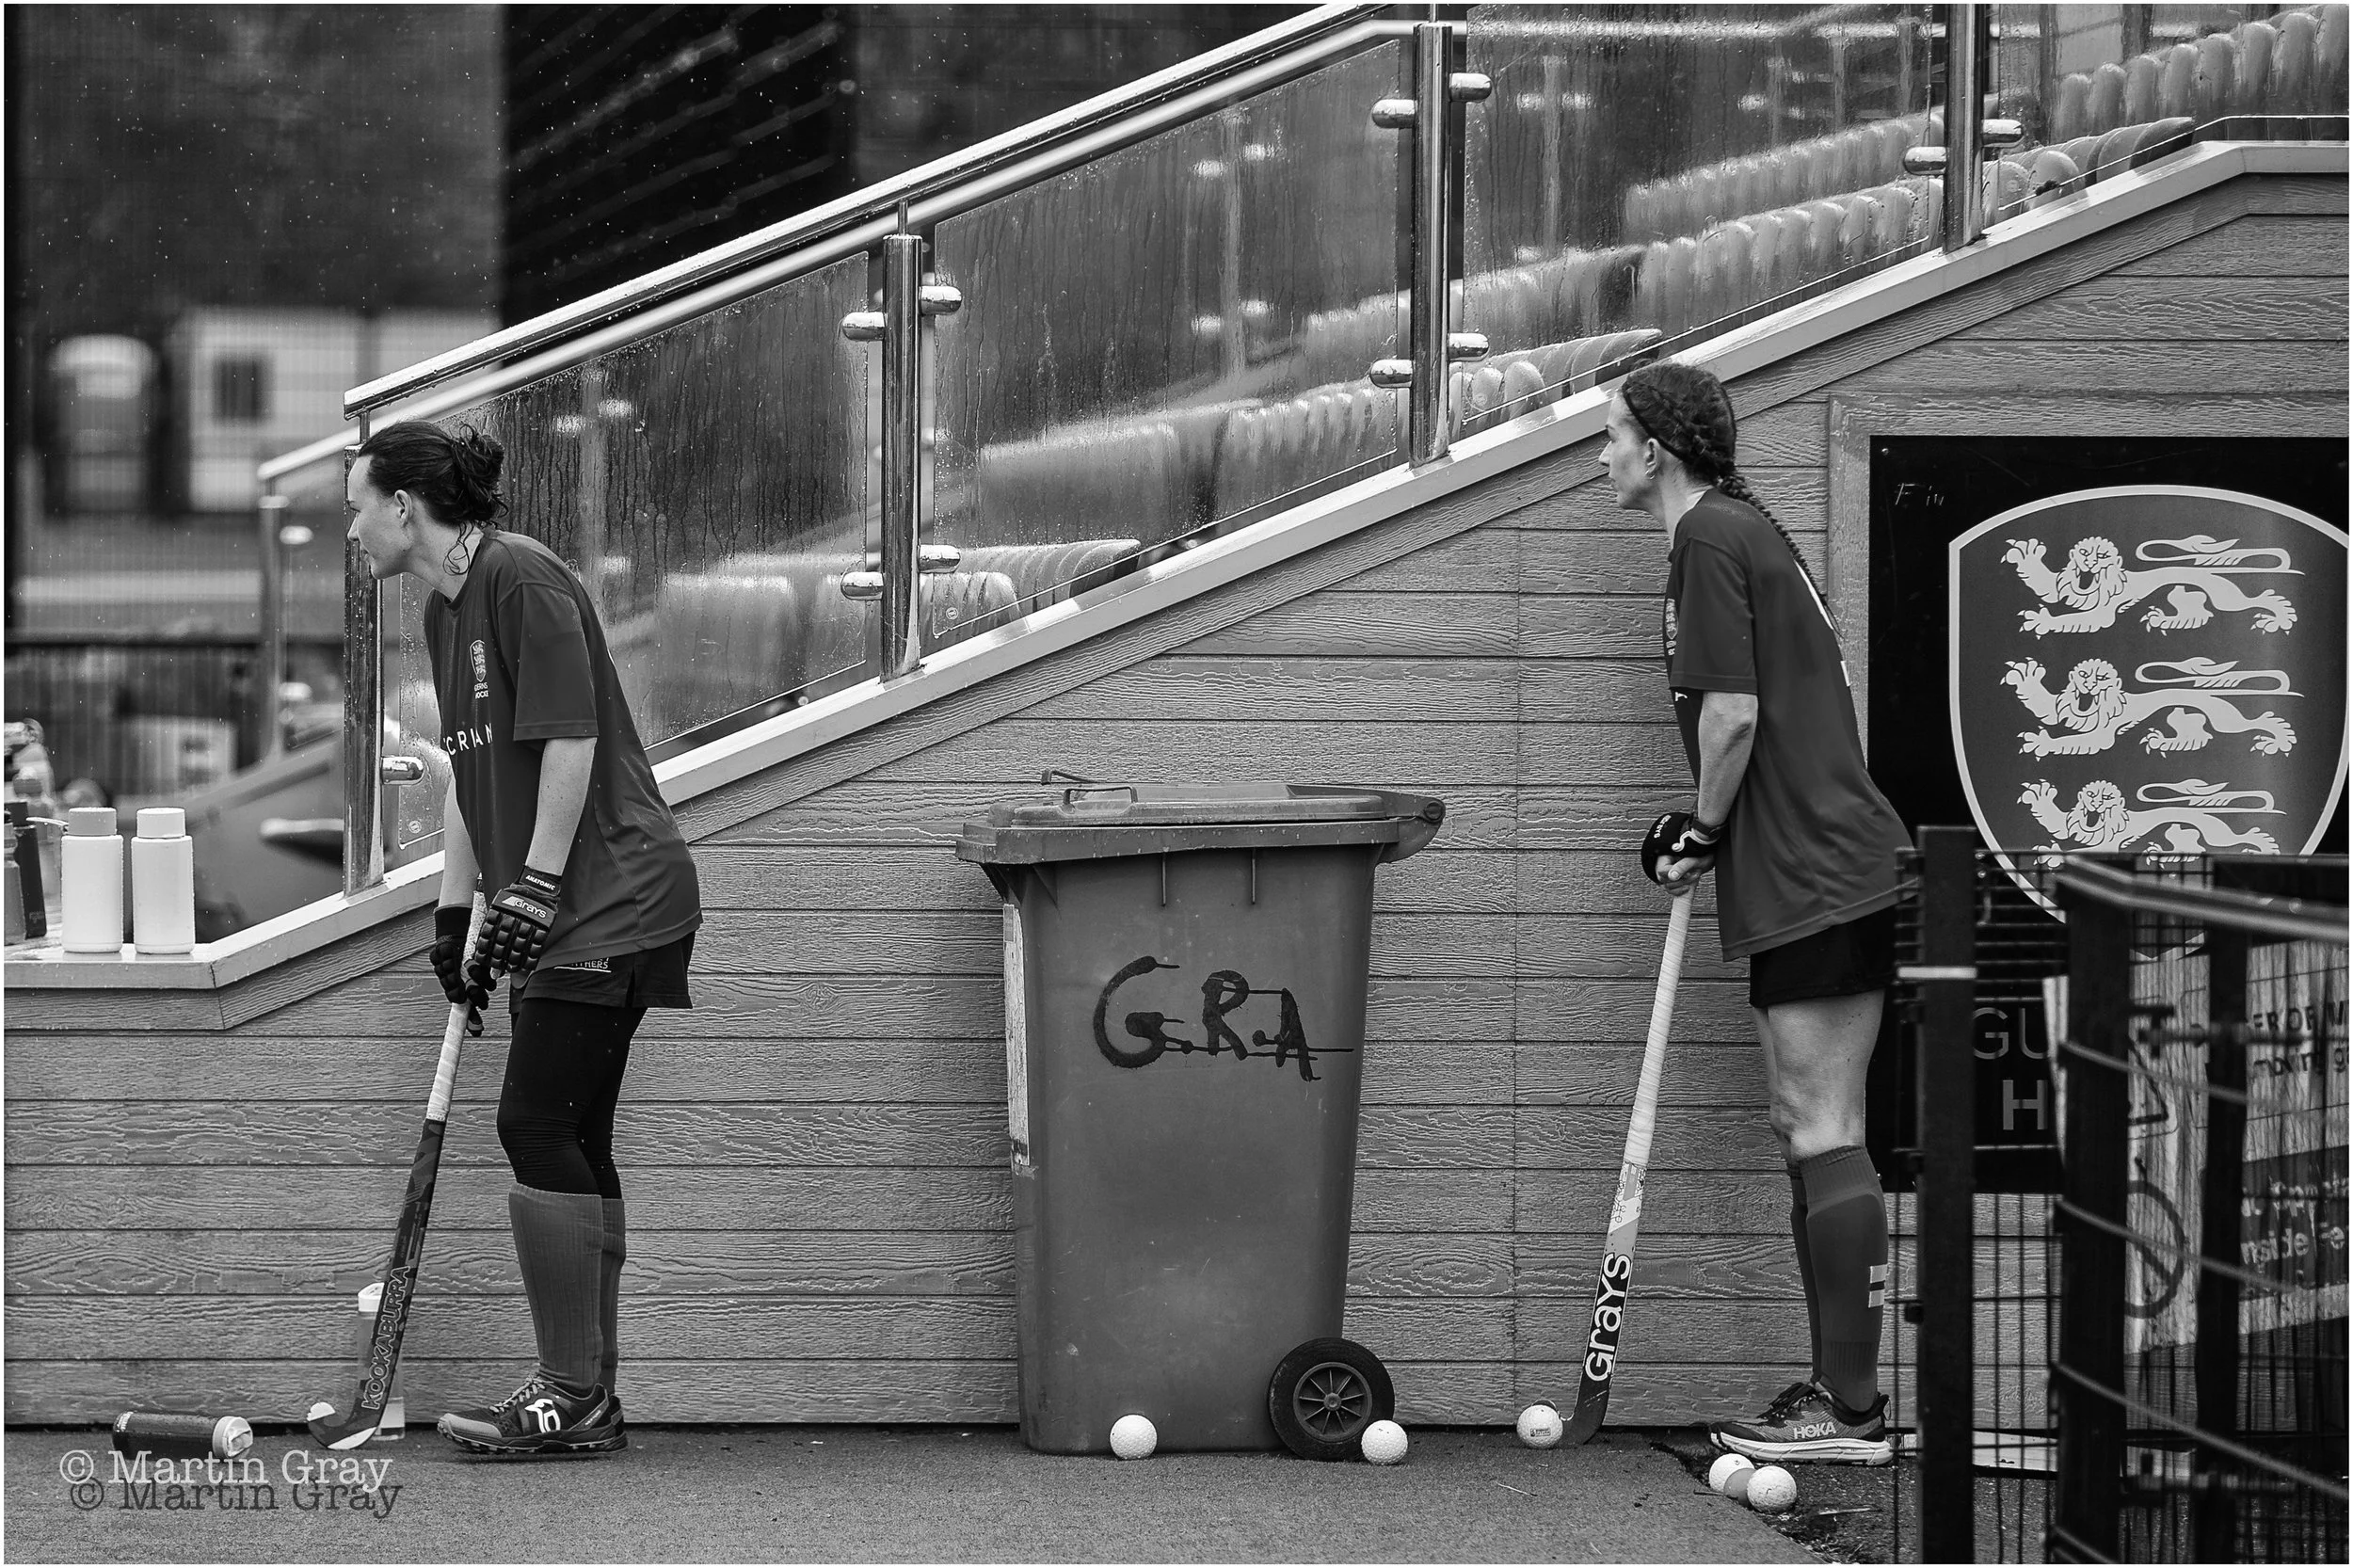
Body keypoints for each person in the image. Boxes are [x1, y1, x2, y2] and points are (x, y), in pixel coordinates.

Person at [345, 419, 701, 1457]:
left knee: (533, 1124)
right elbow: (471, 773)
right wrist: (456, 914)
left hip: (615, 896)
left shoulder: (522, 579)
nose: (354, 529)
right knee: (571, 1137)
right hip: (558, 906)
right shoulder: (445, 606)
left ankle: (570, 1389)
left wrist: (534, 887)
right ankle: (587, 1394)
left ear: (403, 507)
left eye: (358, 507)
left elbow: (572, 740)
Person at [1601, 360, 1909, 1466]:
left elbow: (1733, 713)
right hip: (1800, 867)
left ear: (1658, 449)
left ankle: (1854, 1408)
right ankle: (1841, 1393)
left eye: (1612, 434)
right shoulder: (1731, 532)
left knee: (1822, 1124)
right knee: (1802, 1125)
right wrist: (1712, 829)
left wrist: (1698, 825)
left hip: (1820, 867)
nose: (1601, 454)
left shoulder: (1710, 538)